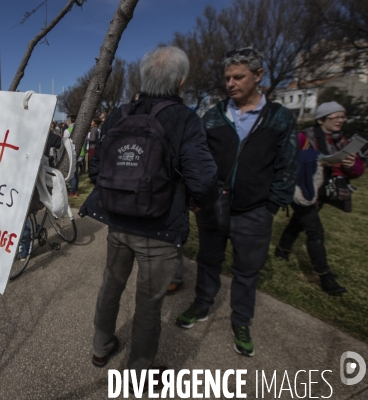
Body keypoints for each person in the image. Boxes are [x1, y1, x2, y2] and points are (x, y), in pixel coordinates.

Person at [80, 46, 218, 375]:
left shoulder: (118, 115)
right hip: (160, 226)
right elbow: (204, 178)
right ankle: (139, 373)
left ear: (143, 77)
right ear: (180, 82)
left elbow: (95, 169)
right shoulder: (185, 120)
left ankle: (101, 347)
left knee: (110, 286)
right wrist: (196, 200)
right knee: (148, 303)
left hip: (118, 222)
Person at [175, 47, 299, 357]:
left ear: (258, 76)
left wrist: (272, 205)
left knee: (247, 271)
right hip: (214, 208)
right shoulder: (214, 115)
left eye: (238, 77)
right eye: (227, 77)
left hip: (255, 212)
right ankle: (202, 305)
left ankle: (241, 321)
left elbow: (288, 165)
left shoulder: (279, 118)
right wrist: (197, 195)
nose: (231, 83)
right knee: (208, 260)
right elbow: (199, 159)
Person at [275, 101, 364, 295]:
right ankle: (325, 275)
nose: (340, 121)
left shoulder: (343, 141)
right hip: (303, 189)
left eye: (342, 117)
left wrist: (350, 165)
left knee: (298, 223)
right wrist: (314, 160)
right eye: (335, 117)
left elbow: (357, 171)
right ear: (321, 119)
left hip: (324, 192)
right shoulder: (303, 137)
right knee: (315, 232)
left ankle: (282, 250)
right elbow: (286, 157)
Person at [63, 115, 79, 197]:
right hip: (80, 153)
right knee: (76, 173)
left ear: (69, 122)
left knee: (72, 174)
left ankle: (73, 191)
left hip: (72, 154)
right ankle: (75, 189)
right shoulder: (79, 129)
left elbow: (65, 143)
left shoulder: (67, 130)